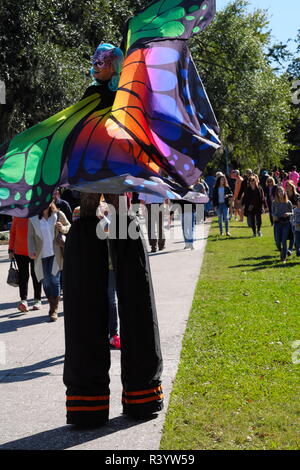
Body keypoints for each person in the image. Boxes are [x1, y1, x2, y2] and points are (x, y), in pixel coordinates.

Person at [62, 44, 164, 427]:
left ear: (116, 65)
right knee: (91, 302)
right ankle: (89, 403)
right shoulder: (97, 99)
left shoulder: (127, 98)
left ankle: (140, 394)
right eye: (94, 60)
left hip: (119, 206)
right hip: (94, 210)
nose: (96, 65)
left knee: (134, 298)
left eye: (103, 60)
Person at [28, 201, 70, 321]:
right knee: (46, 282)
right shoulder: (33, 218)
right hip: (41, 255)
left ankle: (54, 309)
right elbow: (30, 236)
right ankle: (52, 305)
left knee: (54, 280)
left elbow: (69, 226)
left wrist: (63, 227)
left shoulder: (57, 214)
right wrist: (31, 250)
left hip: (55, 253)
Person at [8, 217, 42, 312]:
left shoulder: (36, 216)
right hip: (19, 252)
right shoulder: (17, 217)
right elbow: (13, 233)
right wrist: (11, 250)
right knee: (23, 277)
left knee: (36, 275)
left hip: (35, 251)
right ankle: (23, 301)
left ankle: (37, 300)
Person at [272, 186, 293, 263]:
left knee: (284, 240)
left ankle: (283, 258)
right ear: (277, 193)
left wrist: (288, 213)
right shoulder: (274, 202)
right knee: (277, 241)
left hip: (286, 223)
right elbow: (272, 212)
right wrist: (274, 216)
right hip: (277, 223)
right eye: (279, 191)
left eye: (282, 191)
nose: (280, 193)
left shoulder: (288, 202)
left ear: (284, 192)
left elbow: (292, 212)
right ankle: (282, 251)